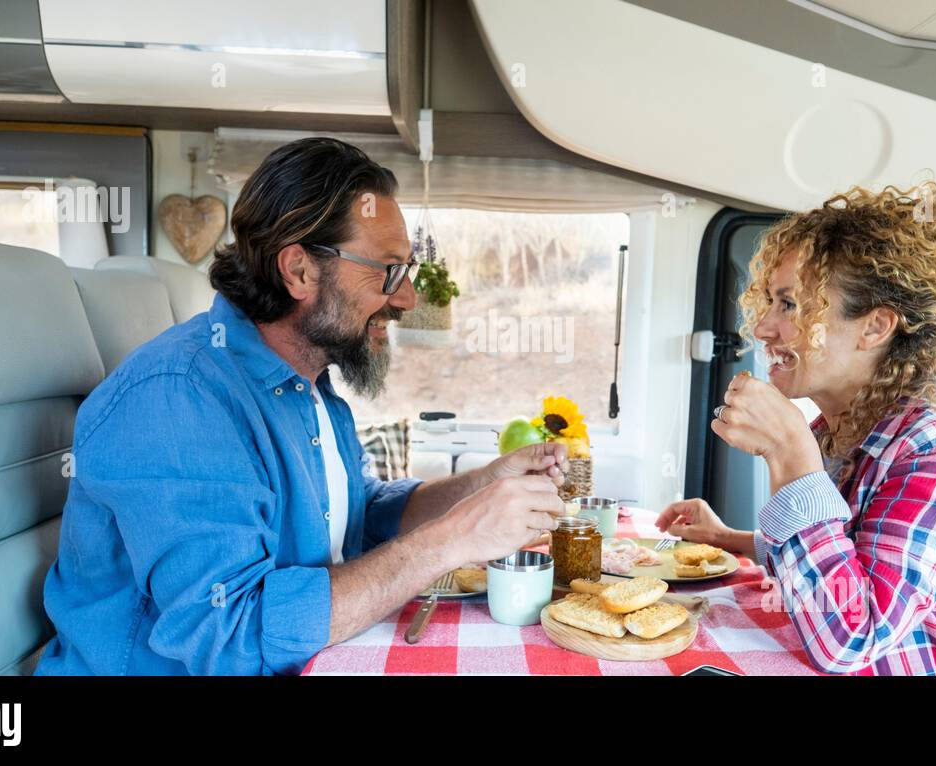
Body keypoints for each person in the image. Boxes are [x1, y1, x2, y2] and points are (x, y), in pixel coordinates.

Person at [37, 137, 566, 675]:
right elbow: (233, 635)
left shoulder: (310, 382)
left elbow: (359, 513)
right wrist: (451, 540)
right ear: (299, 271)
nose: (406, 299)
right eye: (388, 271)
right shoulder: (177, 397)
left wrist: (485, 485)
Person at [659, 183, 936, 675]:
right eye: (769, 302)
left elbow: (852, 638)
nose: (763, 328)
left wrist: (790, 452)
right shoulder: (846, 429)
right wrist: (730, 539)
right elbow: (844, 558)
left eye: (789, 305)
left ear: (875, 328)